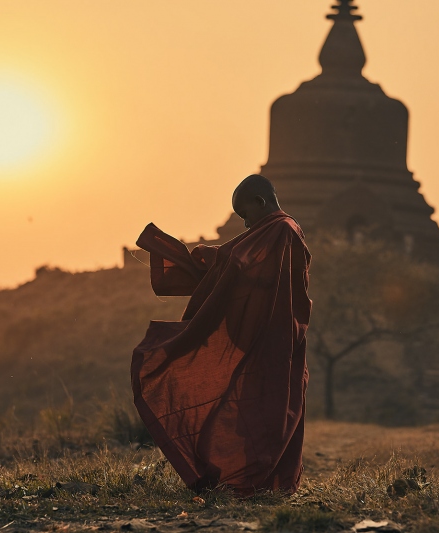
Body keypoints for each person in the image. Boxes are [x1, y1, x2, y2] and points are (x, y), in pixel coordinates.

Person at [131, 175, 312, 496]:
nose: (245, 224)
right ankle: (247, 479)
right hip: (267, 336)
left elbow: (248, 267)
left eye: (246, 214)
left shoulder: (281, 230)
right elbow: (246, 267)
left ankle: (263, 481)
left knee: (273, 407)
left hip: (275, 336)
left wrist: (210, 260)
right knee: (252, 407)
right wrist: (207, 262)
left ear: (261, 202)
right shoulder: (277, 231)